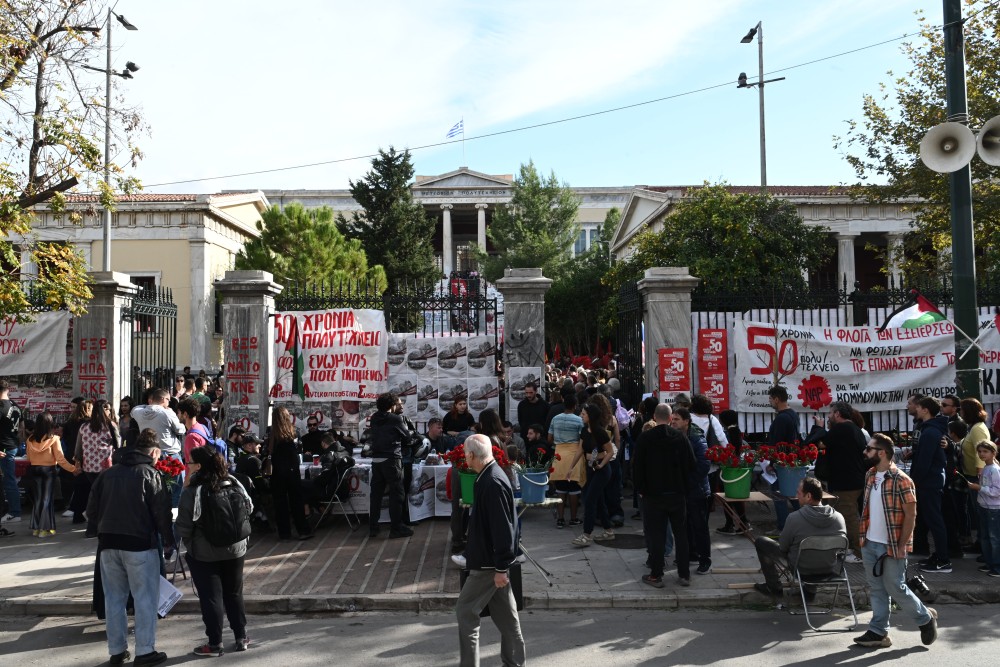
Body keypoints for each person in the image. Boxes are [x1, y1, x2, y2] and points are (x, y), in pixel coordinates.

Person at [87, 427, 174, 667]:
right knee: (144, 598)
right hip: (138, 544)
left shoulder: (108, 474)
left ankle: (117, 651)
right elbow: (161, 512)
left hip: (108, 543)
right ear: (154, 452)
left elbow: (91, 510)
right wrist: (168, 542)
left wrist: (99, 531)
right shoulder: (149, 474)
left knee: (114, 598)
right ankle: (144, 651)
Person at [855, 433, 938, 649]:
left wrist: (903, 545)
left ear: (881, 453)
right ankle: (878, 632)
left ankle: (925, 619)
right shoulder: (870, 475)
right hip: (870, 541)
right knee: (877, 588)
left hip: (892, 544)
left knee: (895, 587)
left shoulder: (903, 480)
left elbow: (911, 515)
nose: (865, 452)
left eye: (869, 449)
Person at [454, 434, 525, 667]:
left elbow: (502, 528)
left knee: (466, 611)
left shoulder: (491, 481)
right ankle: (514, 662)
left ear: (472, 455)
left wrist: (501, 567)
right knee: (507, 619)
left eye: (466, 454)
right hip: (492, 563)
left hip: (488, 565)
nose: (465, 458)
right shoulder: (490, 475)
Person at [176, 446, 252, 656]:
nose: (187, 465)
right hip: (236, 549)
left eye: (189, 462)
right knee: (234, 593)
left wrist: (191, 546)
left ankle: (215, 643)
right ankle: (241, 637)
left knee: (211, 598)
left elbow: (183, 526)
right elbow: (249, 510)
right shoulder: (234, 483)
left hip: (204, 553)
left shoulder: (192, 491)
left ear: (198, 466)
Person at [633, 403, 695, 588]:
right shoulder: (680, 437)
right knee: (681, 535)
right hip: (676, 493)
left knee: (656, 535)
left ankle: (656, 574)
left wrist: (641, 489)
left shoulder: (645, 438)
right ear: (670, 418)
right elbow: (691, 463)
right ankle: (684, 574)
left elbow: (637, 467)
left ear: (654, 416)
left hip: (654, 494)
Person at [753, 477, 847, 597]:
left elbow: (783, 547)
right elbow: (840, 548)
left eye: (798, 493)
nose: (796, 496)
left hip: (801, 569)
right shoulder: (839, 518)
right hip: (829, 568)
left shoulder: (795, 518)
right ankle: (810, 591)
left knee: (761, 541)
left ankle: (774, 587)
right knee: (816, 552)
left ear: (808, 496)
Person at [808, 400, 867, 560]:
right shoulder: (853, 428)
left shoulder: (842, 428)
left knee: (848, 516)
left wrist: (819, 427)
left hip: (847, 482)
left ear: (837, 414)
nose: (828, 417)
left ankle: (859, 552)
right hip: (850, 479)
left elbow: (819, 443)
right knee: (843, 515)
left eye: (830, 413)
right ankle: (848, 547)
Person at [910, 396, 951, 573]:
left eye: (918, 407)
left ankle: (943, 560)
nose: (915, 410)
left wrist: (914, 481)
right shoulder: (930, 430)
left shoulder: (930, 432)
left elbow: (924, 461)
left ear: (925, 410)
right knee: (932, 519)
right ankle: (939, 556)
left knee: (935, 521)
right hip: (930, 481)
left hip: (929, 483)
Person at [671, 407, 712, 575]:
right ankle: (690, 554)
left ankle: (705, 560)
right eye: (672, 419)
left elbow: (704, 464)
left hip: (697, 490)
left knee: (700, 526)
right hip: (684, 490)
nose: (673, 422)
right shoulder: (676, 436)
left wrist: (688, 482)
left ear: (686, 421)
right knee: (685, 525)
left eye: (677, 419)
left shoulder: (696, 438)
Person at [368, 393, 413, 539]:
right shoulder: (395, 418)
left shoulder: (374, 418)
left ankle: (373, 527)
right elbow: (407, 438)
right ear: (392, 405)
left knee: (376, 494)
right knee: (397, 494)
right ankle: (396, 528)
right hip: (392, 459)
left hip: (376, 460)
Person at [131, 388, 186, 507]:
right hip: (169, 455)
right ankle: (173, 514)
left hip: (149, 454)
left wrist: (150, 406)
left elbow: (134, 410)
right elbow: (180, 430)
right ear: (163, 399)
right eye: (168, 400)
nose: (169, 403)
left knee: (153, 488)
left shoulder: (139, 412)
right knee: (176, 488)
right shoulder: (167, 412)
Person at [571, 404, 616, 547]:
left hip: (602, 470)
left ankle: (586, 534)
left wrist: (600, 463)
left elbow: (610, 452)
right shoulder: (584, 431)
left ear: (590, 416)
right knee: (599, 500)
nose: (581, 416)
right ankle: (608, 531)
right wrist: (570, 467)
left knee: (589, 500)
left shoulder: (600, 432)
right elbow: (580, 450)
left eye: (583, 414)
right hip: (591, 469)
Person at [265, 406, 313, 541]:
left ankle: (284, 533)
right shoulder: (291, 433)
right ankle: (302, 530)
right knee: (296, 501)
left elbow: (267, 451)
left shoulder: (271, 433)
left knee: (280, 503)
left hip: (277, 472)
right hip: (291, 471)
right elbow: (295, 452)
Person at [26, 411, 76, 536]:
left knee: (38, 499)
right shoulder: (54, 439)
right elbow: (60, 459)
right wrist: (73, 469)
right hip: (48, 470)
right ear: (50, 424)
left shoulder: (30, 439)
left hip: (34, 469)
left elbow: (28, 458)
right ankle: (45, 529)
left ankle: (36, 528)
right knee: (47, 499)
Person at [72, 399, 122, 524]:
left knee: (95, 493)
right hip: (106, 465)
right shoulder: (110, 425)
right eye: (108, 409)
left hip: (89, 466)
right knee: (105, 494)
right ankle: (98, 519)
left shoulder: (84, 426)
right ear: (104, 410)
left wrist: (78, 461)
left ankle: (93, 519)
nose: (109, 411)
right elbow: (119, 444)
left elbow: (78, 448)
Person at [548, 394, 585, 528]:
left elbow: (549, 439)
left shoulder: (555, 419)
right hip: (574, 455)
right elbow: (582, 438)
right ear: (575, 406)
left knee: (560, 488)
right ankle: (573, 518)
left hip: (559, 454)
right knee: (574, 488)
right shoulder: (579, 420)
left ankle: (560, 519)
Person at [767, 385, 801, 530]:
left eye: (770, 399)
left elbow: (778, 442)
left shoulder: (781, 419)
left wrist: (772, 462)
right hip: (790, 460)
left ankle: (783, 527)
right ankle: (802, 522)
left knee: (778, 494)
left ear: (776, 399)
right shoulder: (793, 414)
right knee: (792, 493)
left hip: (781, 462)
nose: (770, 402)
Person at [968, 441, 1000, 577]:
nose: (982, 454)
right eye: (980, 451)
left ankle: (997, 567)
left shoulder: (994, 469)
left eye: (985, 451)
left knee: (994, 538)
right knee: (985, 537)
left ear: (993, 453)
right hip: (984, 506)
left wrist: (979, 488)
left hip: (993, 509)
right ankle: (989, 563)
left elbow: (997, 491)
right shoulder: (986, 468)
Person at [0, 379, 23, 524]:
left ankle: (14, 512)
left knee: (9, 481)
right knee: (9, 480)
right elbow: (22, 428)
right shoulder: (16, 406)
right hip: (12, 445)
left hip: (3, 448)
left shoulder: (1, 407)